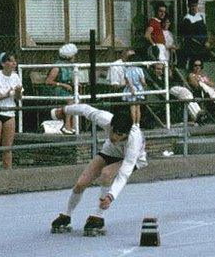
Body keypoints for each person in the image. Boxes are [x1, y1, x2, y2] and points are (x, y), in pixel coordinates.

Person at [50, 104, 147, 236]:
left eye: (119, 135)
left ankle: (98, 216)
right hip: (109, 152)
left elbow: (124, 174)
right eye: (112, 131)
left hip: (131, 159)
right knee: (81, 183)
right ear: (111, 125)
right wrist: (64, 110)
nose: (114, 137)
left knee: (107, 173)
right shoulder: (105, 119)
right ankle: (66, 216)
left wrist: (110, 196)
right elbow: (85, 109)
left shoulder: (134, 140)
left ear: (127, 133)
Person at [0, 52, 23, 170]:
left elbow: (18, 98)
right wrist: (6, 94)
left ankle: (7, 176)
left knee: (8, 148)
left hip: (10, 113)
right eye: (11, 61)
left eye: (15, 61)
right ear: (3, 63)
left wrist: (18, 92)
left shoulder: (16, 76)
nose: (14, 63)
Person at [45, 43, 78, 135]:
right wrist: (62, 84)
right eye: (74, 55)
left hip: (66, 90)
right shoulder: (57, 66)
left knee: (77, 100)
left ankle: (73, 125)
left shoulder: (70, 66)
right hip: (57, 89)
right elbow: (48, 81)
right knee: (71, 101)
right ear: (69, 56)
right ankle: (67, 125)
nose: (75, 57)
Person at [180, 0, 208, 68]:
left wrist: (207, 41)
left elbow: (205, 31)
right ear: (188, 6)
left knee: (201, 66)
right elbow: (189, 35)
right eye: (192, 6)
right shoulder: (187, 19)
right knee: (194, 65)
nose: (194, 8)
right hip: (193, 48)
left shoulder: (200, 17)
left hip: (202, 47)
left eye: (195, 6)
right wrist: (201, 42)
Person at [122, 54, 146, 125]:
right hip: (139, 88)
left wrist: (131, 87)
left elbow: (127, 81)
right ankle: (138, 124)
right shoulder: (140, 70)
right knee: (138, 107)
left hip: (130, 88)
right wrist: (144, 85)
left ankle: (133, 124)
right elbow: (143, 81)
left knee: (132, 107)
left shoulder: (126, 70)